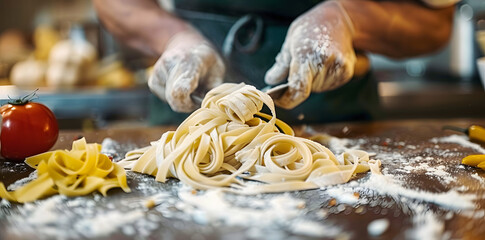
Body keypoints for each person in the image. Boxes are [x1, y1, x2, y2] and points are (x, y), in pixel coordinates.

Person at [93, 0, 457, 124]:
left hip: (340, 128)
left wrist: (348, 17)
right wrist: (171, 37)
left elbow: (434, 22)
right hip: (188, 122)